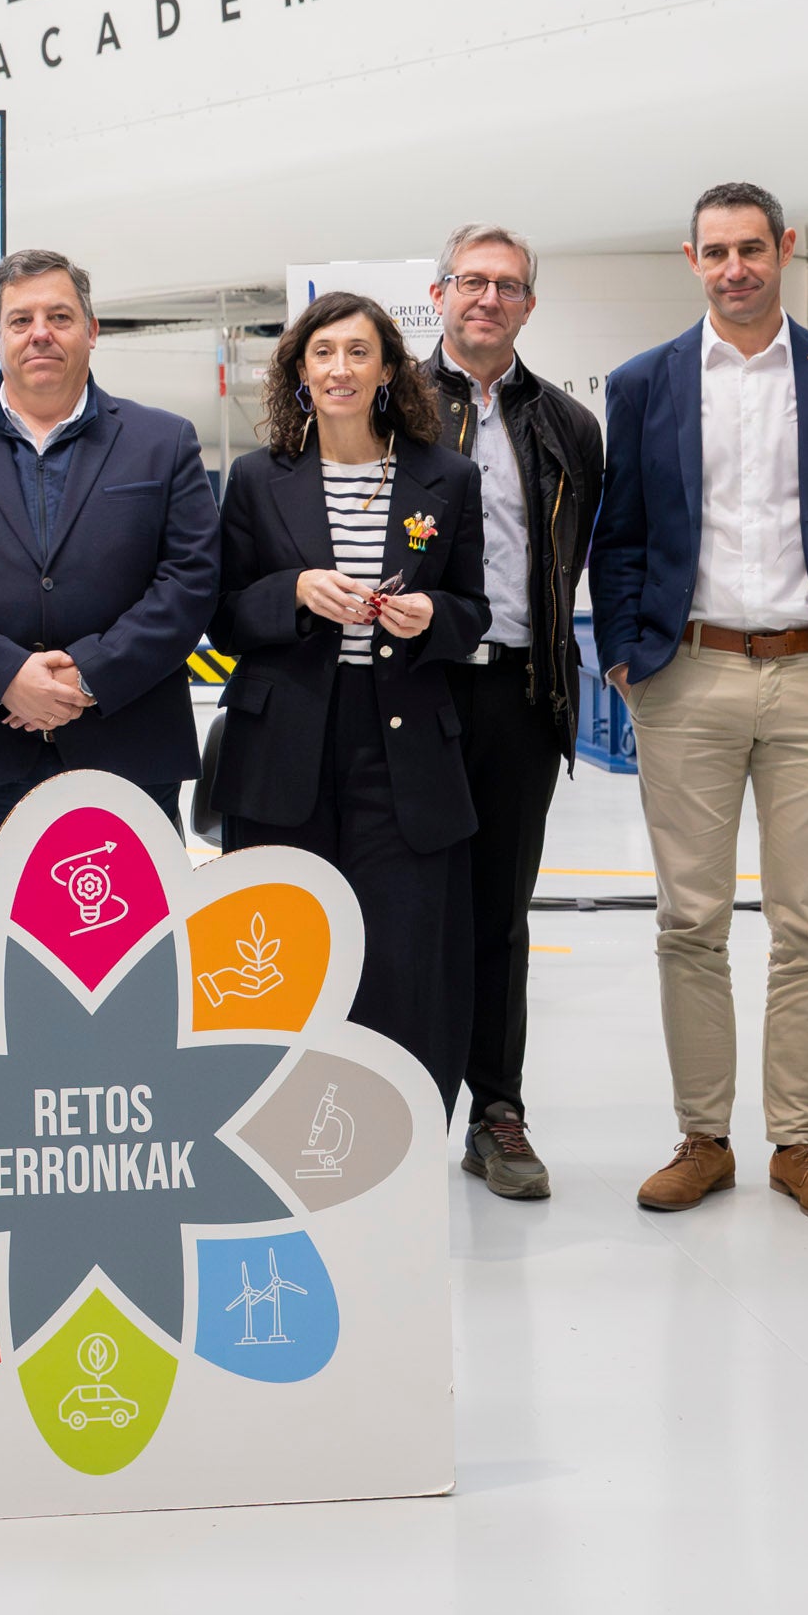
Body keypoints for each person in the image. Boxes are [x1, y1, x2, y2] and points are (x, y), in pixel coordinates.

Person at [588, 180, 808, 1228]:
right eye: (715, 251)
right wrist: (633, 658)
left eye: (752, 248)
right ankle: (703, 1137)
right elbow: (617, 530)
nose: (735, 269)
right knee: (692, 921)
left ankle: (798, 1145)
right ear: (692, 261)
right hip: (690, 674)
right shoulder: (643, 384)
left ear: (785, 249)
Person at [210, 292, 488, 1086]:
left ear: (388, 371)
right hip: (287, 744)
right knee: (278, 946)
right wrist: (294, 592)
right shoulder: (258, 480)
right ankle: (272, 1117)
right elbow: (224, 617)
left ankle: (393, 1124)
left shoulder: (448, 478)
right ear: (301, 370)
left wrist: (433, 613)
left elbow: (474, 610)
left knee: (402, 950)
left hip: (402, 749)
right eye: (324, 352)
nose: (340, 368)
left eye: (359, 352)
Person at [0, 251, 222, 869]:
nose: (40, 332)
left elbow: (191, 581)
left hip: (130, 756)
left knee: (132, 957)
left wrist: (89, 674)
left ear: (91, 331)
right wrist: (7, 676)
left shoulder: (163, 441)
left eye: (60, 316)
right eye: (21, 320)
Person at [425, 222, 601, 1202]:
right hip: (415, 694)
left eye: (507, 286)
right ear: (441, 293)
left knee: (499, 914)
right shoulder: (387, 406)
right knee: (408, 909)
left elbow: (573, 557)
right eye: (471, 282)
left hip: (521, 694)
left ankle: (496, 1111)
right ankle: (397, 1105)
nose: (487, 299)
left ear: (529, 305)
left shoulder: (569, 427)